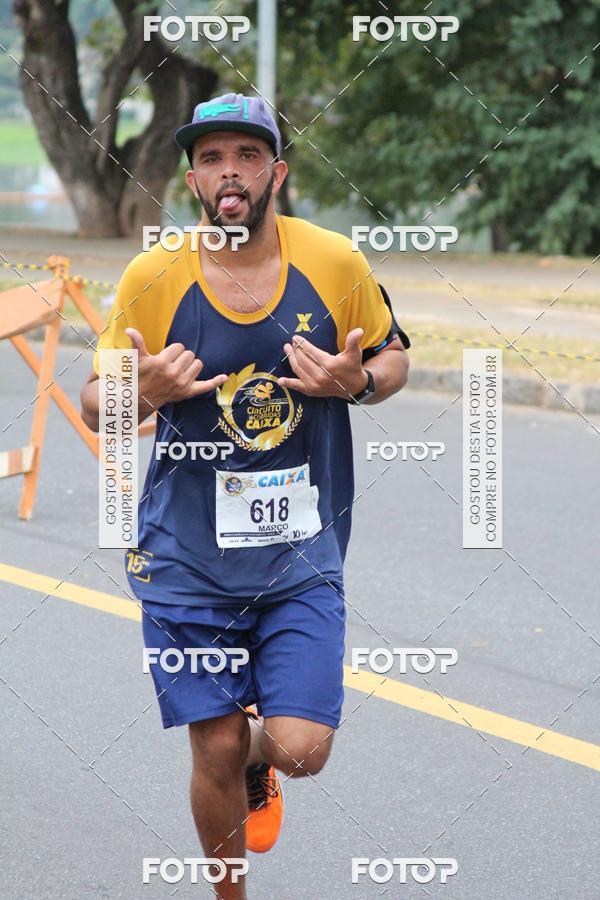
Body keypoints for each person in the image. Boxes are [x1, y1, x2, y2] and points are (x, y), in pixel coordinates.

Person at [81, 91, 410, 899]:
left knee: (298, 748)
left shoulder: (333, 262)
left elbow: (397, 357)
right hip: (185, 558)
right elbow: (96, 400)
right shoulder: (153, 276)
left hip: (299, 554)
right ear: (192, 179)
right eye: (212, 158)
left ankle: (264, 764)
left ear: (277, 171)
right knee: (215, 747)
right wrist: (143, 394)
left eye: (248, 155)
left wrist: (357, 380)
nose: (230, 172)